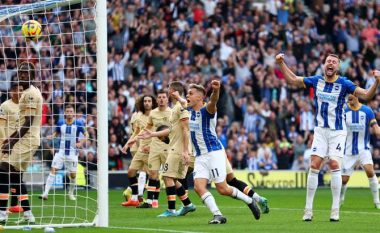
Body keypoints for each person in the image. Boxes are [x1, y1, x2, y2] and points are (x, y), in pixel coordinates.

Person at [276, 53, 380, 222]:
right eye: (328, 61)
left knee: (333, 163)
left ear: (337, 67)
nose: (330, 64)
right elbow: (293, 79)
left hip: (338, 132)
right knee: (314, 164)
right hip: (321, 131)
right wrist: (281, 63)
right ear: (324, 65)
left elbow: (367, 95)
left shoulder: (344, 83)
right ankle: (308, 210)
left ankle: (335, 210)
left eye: (334, 62)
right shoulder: (317, 80)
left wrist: (377, 81)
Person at [186, 81, 261, 224]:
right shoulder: (189, 111)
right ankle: (217, 215)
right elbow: (183, 101)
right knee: (198, 187)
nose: (187, 95)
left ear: (200, 98)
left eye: (190, 93)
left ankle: (249, 201)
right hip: (200, 156)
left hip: (213, 153)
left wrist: (216, 91)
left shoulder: (207, 110)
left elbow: (213, 101)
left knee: (222, 189)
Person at [139, 82, 196, 217]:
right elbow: (170, 129)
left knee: (167, 177)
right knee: (173, 179)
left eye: (169, 90)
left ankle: (171, 210)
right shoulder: (176, 108)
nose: (167, 93)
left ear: (173, 92)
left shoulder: (180, 108)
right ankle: (188, 205)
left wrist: (185, 151)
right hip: (174, 147)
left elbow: (185, 129)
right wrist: (152, 134)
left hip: (178, 149)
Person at [0, 61, 43, 224]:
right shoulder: (26, 93)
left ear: (32, 76)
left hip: (28, 140)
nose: (23, 75)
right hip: (24, 139)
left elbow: (29, 122)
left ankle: (2, 213)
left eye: (26, 73)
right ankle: (28, 214)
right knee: (15, 176)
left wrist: (12, 141)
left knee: (3, 169)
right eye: (21, 72)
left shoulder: (30, 94)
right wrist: (11, 140)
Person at [39, 105, 87, 201]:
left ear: (73, 113)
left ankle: (71, 193)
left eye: (71, 111)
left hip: (72, 153)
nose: (69, 113)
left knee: (73, 175)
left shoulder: (79, 123)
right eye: (67, 111)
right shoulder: (60, 122)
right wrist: (52, 136)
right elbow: (57, 133)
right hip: (61, 152)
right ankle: (45, 193)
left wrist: (81, 142)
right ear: (65, 113)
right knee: (53, 170)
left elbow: (87, 134)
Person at [340, 94, 380, 209]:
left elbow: (375, 126)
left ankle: (377, 201)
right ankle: (341, 198)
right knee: (344, 180)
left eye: (351, 95)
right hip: (348, 151)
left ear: (357, 95)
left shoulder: (367, 111)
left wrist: (377, 130)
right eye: (347, 96)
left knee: (370, 171)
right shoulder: (344, 110)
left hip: (363, 149)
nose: (348, 98)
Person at [137, 89, 171, 208]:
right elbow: (148, 127)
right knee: (152, 174)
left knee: (168, 177)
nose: (161, 99)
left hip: (168, 148)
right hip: (155, 147)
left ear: (167, 99)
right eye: (160, 97)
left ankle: (171, 203)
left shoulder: (171, 113)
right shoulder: (153, 113)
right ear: (157, 100)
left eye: (164, 97)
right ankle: (150, 202)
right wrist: (140, 137)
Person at [121, 95, 156, 207]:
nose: (146, 103)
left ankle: (152, 201)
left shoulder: (156, 115)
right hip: (140, 149)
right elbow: (136, 132)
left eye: (149, 101)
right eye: (145, 101)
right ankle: (135, 197)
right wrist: (127, 144)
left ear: (152, 103)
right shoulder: (138, 117)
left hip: (152, 149)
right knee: (131, 172)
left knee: (152, 175)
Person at [0, 83, 24, 213]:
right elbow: (1, 126)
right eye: (18, 90)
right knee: (4, 175)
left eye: (22, 90)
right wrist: (5, 142)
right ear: (12, 92)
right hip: (6, 146)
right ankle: (3, 209)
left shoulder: (25, 107)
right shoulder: (5, 106)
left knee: (17, 176)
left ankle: (14, 206)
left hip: (21, 147)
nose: (20, 92)